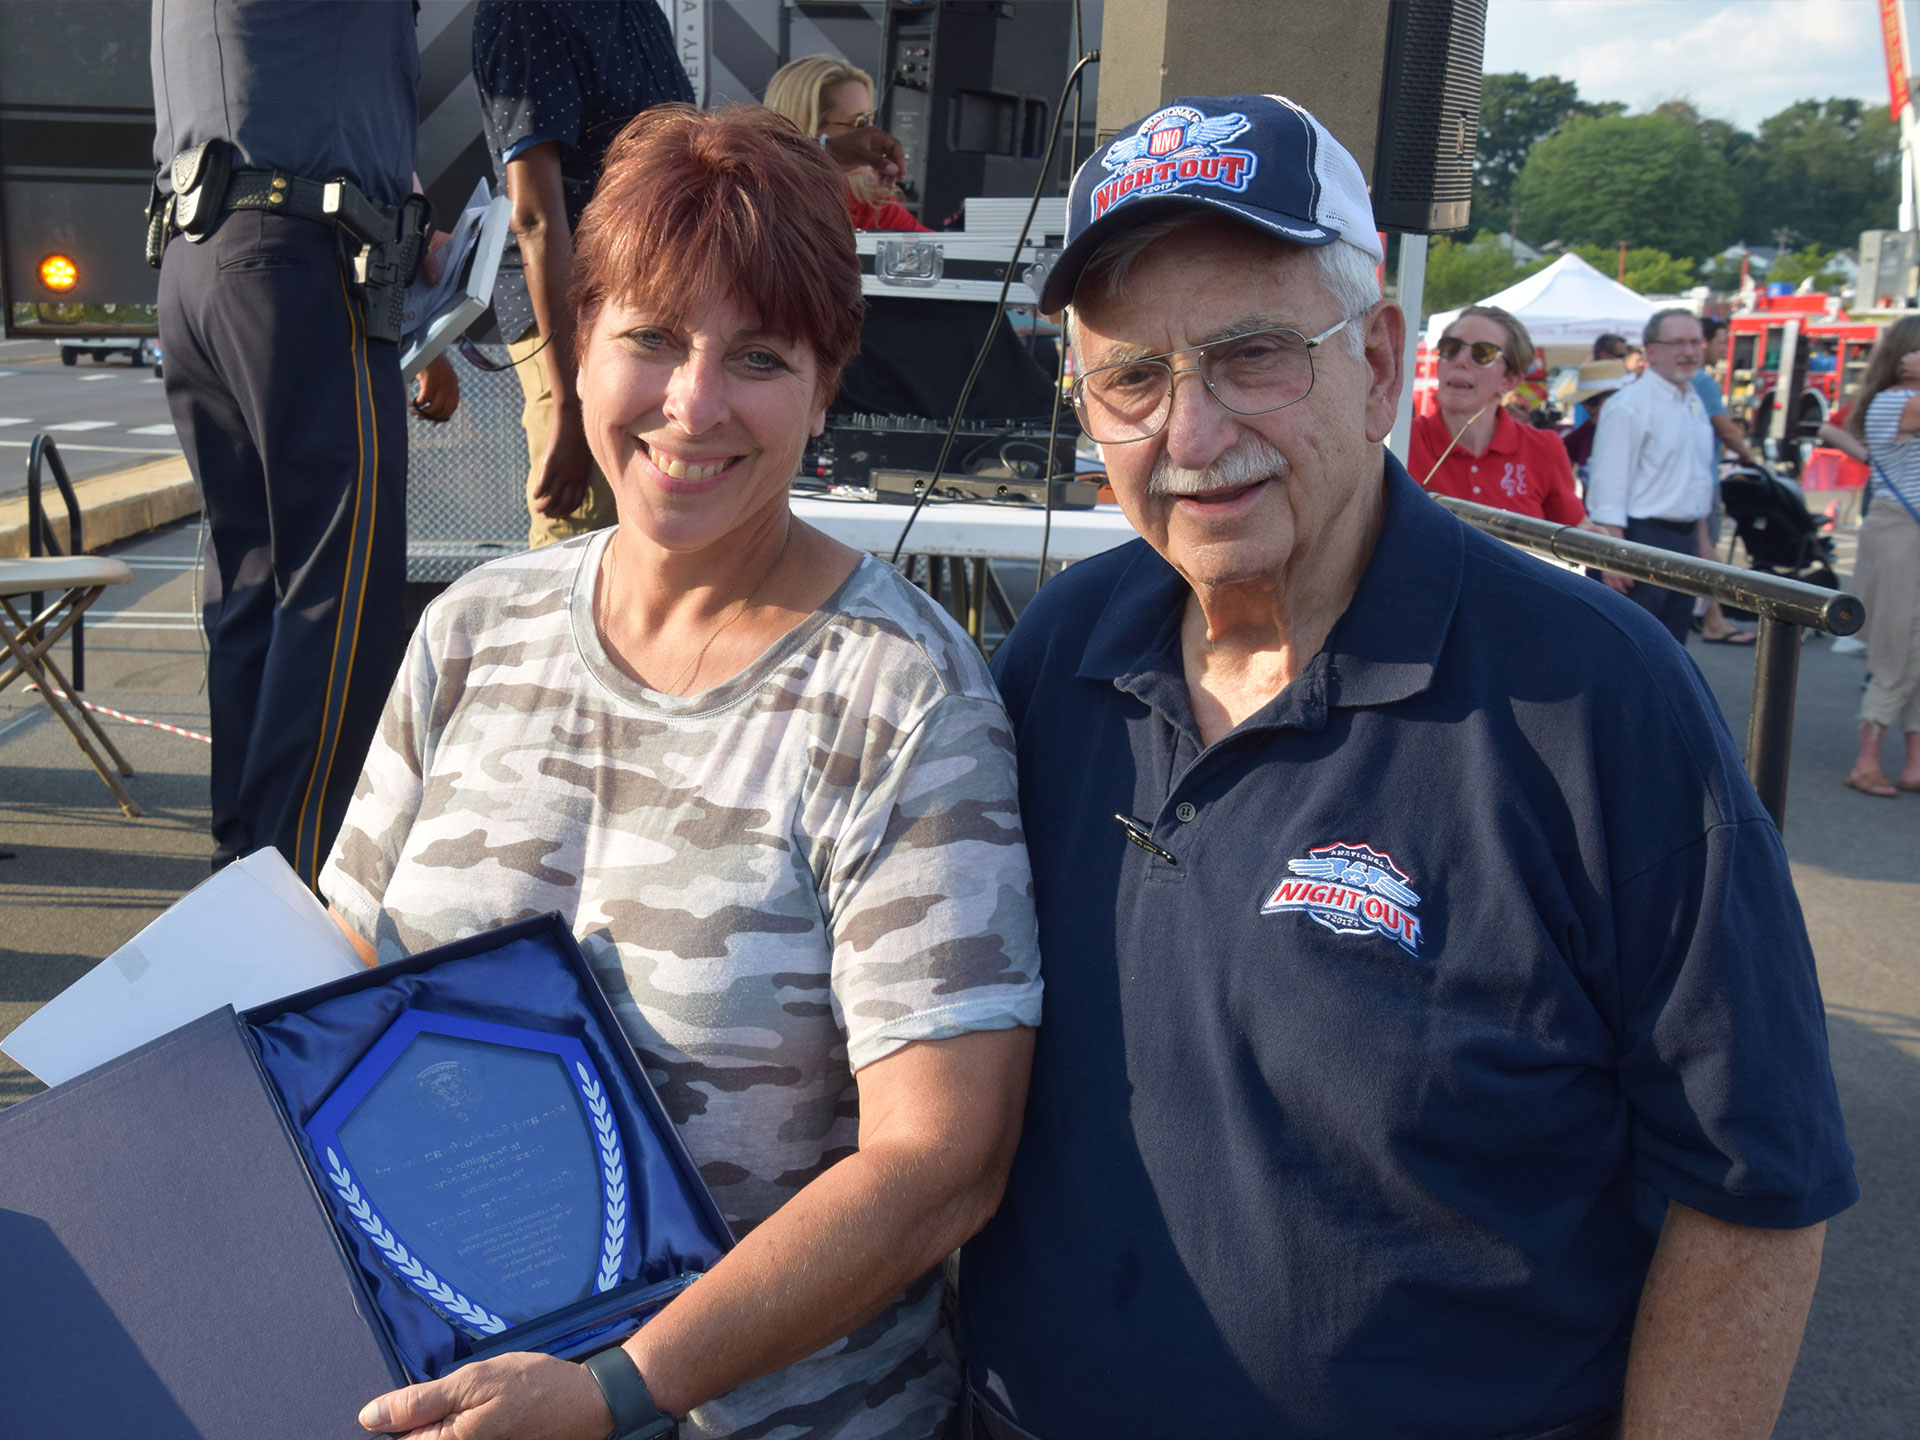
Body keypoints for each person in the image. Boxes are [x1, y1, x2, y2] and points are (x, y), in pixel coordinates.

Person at [957, 93, 1854, 1440]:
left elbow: (1754, 1189)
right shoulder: (1062, 653)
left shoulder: (1597, 701)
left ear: (1379, 363)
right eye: (1131, 377)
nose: (1190, 434)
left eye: (1252, 354)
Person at [326, 105, 1041, 1440]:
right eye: (651, 336)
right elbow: (335, 974)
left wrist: (614, 1395)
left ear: (827, 384)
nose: (692, 403)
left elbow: (941, 1159)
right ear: (580, 340)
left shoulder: (899, 697)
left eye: (758, 355)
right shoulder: (474, 631)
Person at [152, 0, 459, 884]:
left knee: (250, 578)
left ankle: (241, 859)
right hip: (297, 258)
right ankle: (297, 875)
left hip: (197, 255)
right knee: (339, 584)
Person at [472, 0, 695, 549]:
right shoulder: (524, 11)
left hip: (656, 300)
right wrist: (572, 408)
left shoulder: (640, 12)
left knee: (653, 527)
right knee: (576, 540)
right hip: (572, 310)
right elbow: (535, 216)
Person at [1584, 308, 1719, 643]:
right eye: (1677, 343)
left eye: (1694, 342)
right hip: (1641, 540)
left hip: (1684, 544)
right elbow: (1608, 491)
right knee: (1630, 651)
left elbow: (1693, 481)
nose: (1689, 352)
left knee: (1672, 652)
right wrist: (1612, 559)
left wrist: (1703, 545)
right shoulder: (1629, 406)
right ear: (1651, 350)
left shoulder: (1692, 402)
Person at [1407, 304, 1584, 523]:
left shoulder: (1544, 448)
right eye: (1451, 347)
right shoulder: (1400, 441)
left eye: (1483, 353)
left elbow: (1575, 531)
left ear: (1510, 380)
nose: (1459, 360)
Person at [1841, 315, 1920, 796]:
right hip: (1900, 532)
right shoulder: (1894, 402)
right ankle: (1867, 759)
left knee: (1915, 645)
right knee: (1895, 646)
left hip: (1905, 533)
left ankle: (1912, 763)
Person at [763, 55, 931, 232]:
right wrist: (820, 153)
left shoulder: (869, 197)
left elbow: (937, 249)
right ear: (808, 125)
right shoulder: (760, 193)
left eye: (871, 118)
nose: (871, 133)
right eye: (859, 122)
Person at [1694, 316, 1763, 644]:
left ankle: (1712, 617)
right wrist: (1749, 456)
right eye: (1722, 340)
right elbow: (1726, 428)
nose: (1725, 348)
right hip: (1702, 482)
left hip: (1692, 482)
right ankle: (1714, 620)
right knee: (1705, 550)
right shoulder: (1702, 382)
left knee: (1698, 550)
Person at [1559, 357, 1629, 471]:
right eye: (1584, 402)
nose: (1587, 408)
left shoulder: (1642, 434)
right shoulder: (1587, 431)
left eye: (1592, 401)